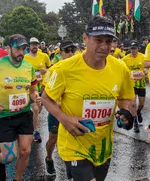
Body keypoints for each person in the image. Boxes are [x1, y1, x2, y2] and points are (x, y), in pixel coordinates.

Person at [41, 15, 135, 181]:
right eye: (98, 40)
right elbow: (46, 98)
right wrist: (64, 119)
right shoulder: (63, 69)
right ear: (85, 38)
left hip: (103, 147)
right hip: (74, 145)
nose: (104, 47)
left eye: (109, 41)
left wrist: (126, 113)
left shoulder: (120, 68)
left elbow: (125, 98)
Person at [0, 34, 41, 181]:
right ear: (9, 48)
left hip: (24, 114)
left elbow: (33, 90)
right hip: (4, 116)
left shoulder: (28, 67)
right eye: (17, 48)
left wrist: (36, 96)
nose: (21, 52)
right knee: (9, 156)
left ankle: (16, 179)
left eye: (23, 49)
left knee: (25, 151)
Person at [42, 39, 77, 176]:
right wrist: (57, 105)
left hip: (72, 112)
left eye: (72, 51)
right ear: (60, 53)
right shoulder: (54, 69)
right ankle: (49, 158)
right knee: (53, 137)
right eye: (67, 51)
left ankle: (73, 166)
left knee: (74, 137)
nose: (70, 54)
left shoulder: (78, 69)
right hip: (57, 112)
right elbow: (44, 93)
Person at [24, 37, 51, 142]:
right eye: (32, 44)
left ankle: (32, 121)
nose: (34, 46)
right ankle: (36, 131)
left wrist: (44, 71)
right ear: (29, 46)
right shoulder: (25, 58)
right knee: (35, 109)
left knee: (38, 110)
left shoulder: (44, 56)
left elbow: (51, 69)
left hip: (43, 87)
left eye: (36, 44)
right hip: (31, 87)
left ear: (38, 45)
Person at [123, 40, 146, 133]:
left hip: (141, 84)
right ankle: (135, 122)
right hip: (131, 85)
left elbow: (147, 68)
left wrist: (145, 72)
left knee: (141, 104)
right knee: (132, 104)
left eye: (135, 48)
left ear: (138, 49)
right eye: (131, 49)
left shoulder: (143, 57)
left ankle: (139, 111)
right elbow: (123, 71)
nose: (133, 50)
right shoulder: (125, 59)